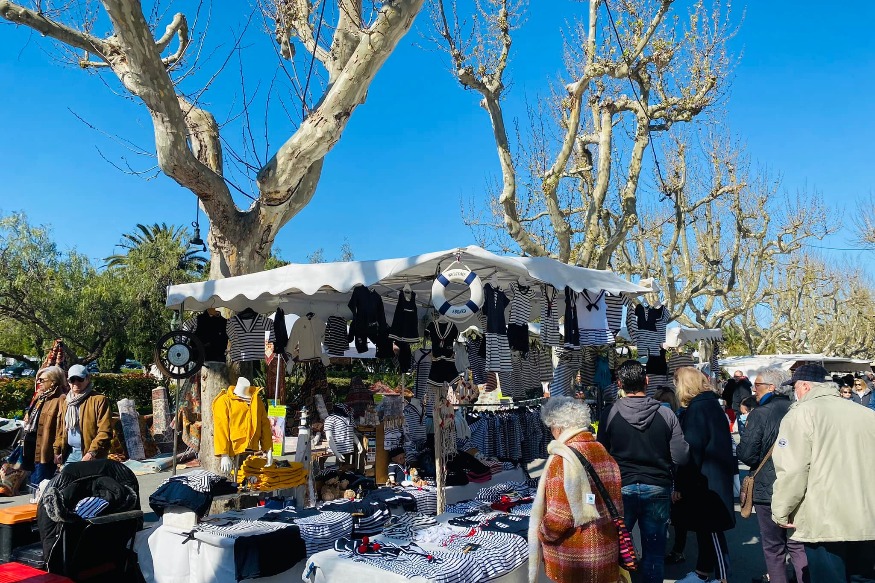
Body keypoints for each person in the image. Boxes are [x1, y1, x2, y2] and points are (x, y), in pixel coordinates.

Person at [772, 364, 875, 582]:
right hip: (866, 514)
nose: (795, 394)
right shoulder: (867, 414)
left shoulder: (801, 415)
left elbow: (793, 470)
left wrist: (781, 510)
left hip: (825, 516)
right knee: (863, 577)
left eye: (796, 388)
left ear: (806, 387)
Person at [597, 360, 689, 583]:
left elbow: (601, 456)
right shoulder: (667, 415)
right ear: (646, 381)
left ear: (619, 384)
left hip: (621, 488)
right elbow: (681, 456)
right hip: (657, 486)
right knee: (654, 552)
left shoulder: (609, 413)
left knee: (615, 549)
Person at [530, 397, 623, 583]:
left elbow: (560, 517)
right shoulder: (602, 450)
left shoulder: (563, 459)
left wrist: (541, 533)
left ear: (557, 426)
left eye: (550, 427)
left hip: (575, 559)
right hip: (605, 548)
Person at [736, 368, 807, 583]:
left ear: (771, 387)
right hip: (798, 484)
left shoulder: (760, 413)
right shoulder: (798, 409)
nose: (753, 390)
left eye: (756, 386)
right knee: (797, 544)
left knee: (773, 546)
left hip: (768, 488)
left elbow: (747, 455)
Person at [673, 367, 736, 583]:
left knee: (711, 531)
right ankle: (704, 572)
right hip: (712, 476)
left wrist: (681, 484)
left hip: (706, 479)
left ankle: (722, 576)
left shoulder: (698, 409)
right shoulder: (710, 404)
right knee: (706, 530)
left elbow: (692, 451)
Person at [54, 364, 112, 463]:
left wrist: (92, 452)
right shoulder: (66, 401)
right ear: (68, 381)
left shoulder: (99, 400)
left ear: (87, 378)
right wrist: (57, 450)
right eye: (72, 380)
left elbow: (105, 431)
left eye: (80, 379)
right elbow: (61, 430)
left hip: (91, 456)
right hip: (70, 453)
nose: (76, 383)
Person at [21, 366, 66, 486]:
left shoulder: (60, 399)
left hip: (45, 451)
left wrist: (57, 449)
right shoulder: (40, 397)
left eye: (42, 380)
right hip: (31, 448)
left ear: (53, 382)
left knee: (40, 486)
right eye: (38, 380)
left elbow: (61, 428)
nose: (38, 382)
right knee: (32, 485)